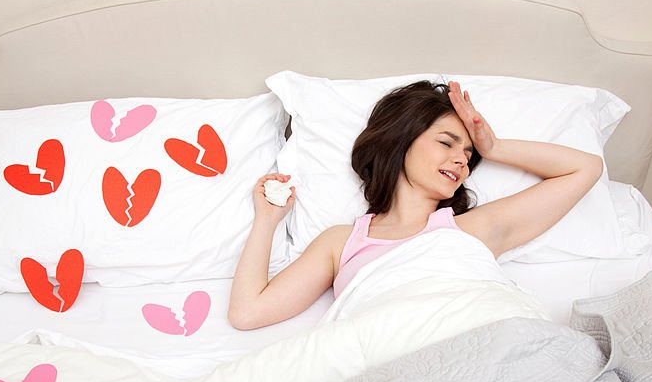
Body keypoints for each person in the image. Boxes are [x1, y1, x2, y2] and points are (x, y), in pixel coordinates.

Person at [228, 80, 604, 330]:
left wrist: (494, 147)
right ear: (400, 141)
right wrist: (267, 220)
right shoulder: (341, 242)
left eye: (469, 154)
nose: (461, 159)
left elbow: (584, 169)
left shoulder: (473, 230)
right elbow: (248, 313)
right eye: (446, 142)